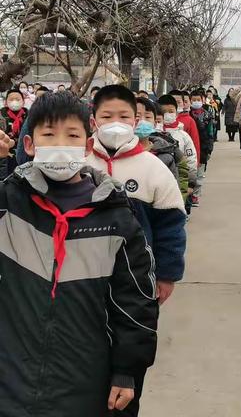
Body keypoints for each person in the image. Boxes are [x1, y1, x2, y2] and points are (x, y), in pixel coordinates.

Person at [0, 91, 159, 416]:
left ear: (88, 146)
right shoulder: (9, 204)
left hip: (85, 380)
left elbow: (136, 302)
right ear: (29, 145)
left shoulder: (116, 218)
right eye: (48, 135)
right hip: (11, 375)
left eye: (71, 135)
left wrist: (127, 370)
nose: (60, 144)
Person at [87, 85, 186, 417]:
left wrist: (168, 275)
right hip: (85, 279)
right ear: (93, 121)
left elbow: (172, 227)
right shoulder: (78, 162)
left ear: (137, 120)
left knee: (130, 363)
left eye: (124, 116)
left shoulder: (152, 168)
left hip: (137, 283)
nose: (116, 123)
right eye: (107, 116)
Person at [157, 94, 198, 199]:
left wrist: (191, 183)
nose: (168, 115)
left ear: (176, 112)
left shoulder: (183, 136)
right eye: (164, 112)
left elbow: (191, 160)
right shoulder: (153, 134)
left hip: (179, 183)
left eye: (171, 111)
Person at [189, 89, 215, 207]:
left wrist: (209, 148)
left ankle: (195, 195)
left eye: (198, 100)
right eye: (193, 100)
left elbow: (211, 133)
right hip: (190, 146)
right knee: (190, 172)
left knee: (199, 173)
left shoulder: (207, 115)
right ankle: (188, 194)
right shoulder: (187, 114)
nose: (196, 102)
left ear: (203, 100)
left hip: (203, 147)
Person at [1, 88, 28, 175]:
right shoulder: (2, 115)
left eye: (17, 99)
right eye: (11, 99)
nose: (14, 102)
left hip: (24, 152)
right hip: (5, 153)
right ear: (6, 102)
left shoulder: (29, 115)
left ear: (23, 101)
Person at [170, 89, 201, 161]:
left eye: (178, 102)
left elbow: (195, 143)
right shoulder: (161, 119)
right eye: (173, 102)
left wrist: (196, 162)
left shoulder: (189, 120)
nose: (175, 105)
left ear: (183, 104)